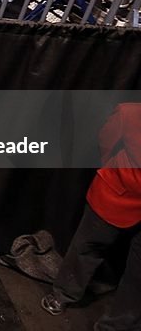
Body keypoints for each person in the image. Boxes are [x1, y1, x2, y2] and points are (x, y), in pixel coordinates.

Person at [41, 103, 141, 331]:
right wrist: (114, 172)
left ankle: (117, 326)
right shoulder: (129, 113)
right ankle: (63, 293)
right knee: (87, 247)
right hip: (117, 194)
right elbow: (106, 141)